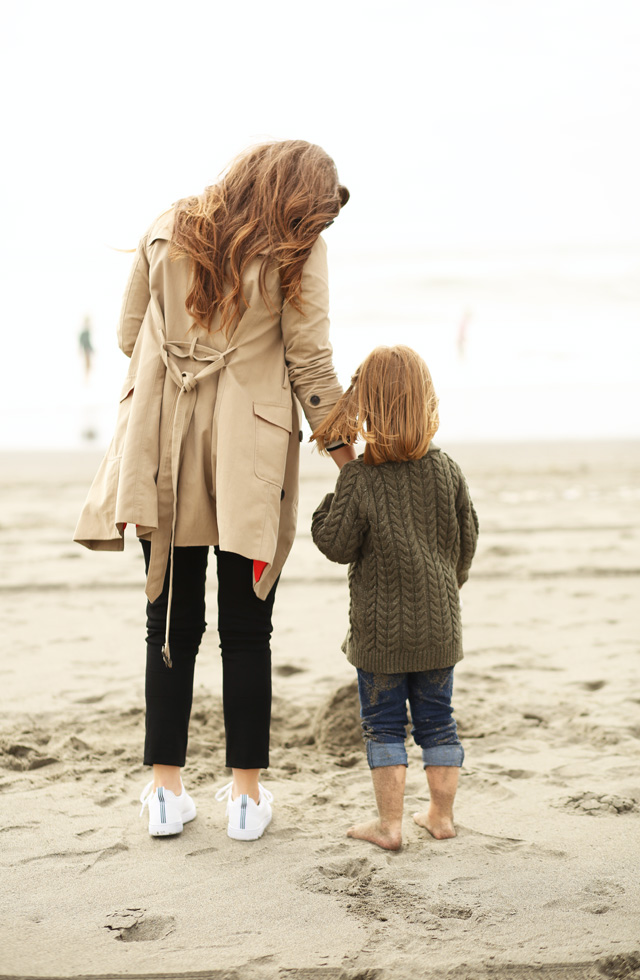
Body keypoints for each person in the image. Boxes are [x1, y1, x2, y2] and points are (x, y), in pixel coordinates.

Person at [74, 140, 355, 840]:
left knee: (168, 619)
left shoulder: (170, 224)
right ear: (299, 200)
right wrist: (350, 455)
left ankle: (165, 795)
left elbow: (126, 334)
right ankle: (244, 799)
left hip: (163, 439)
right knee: (247, 626)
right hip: (246, 452)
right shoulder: (297, 248)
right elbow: (309, 358)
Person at [311, 345, 478, 851]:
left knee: (383, 725)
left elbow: (335, 545)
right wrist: (447, 590)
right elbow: (466, 540)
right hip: (439, 629)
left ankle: (390, 826)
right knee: (438, 721)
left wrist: (329, 500)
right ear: (426, 401)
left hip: (380, 636)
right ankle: (442, 817)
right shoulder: (446, 469)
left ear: (366, 410)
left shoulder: (359, 478)